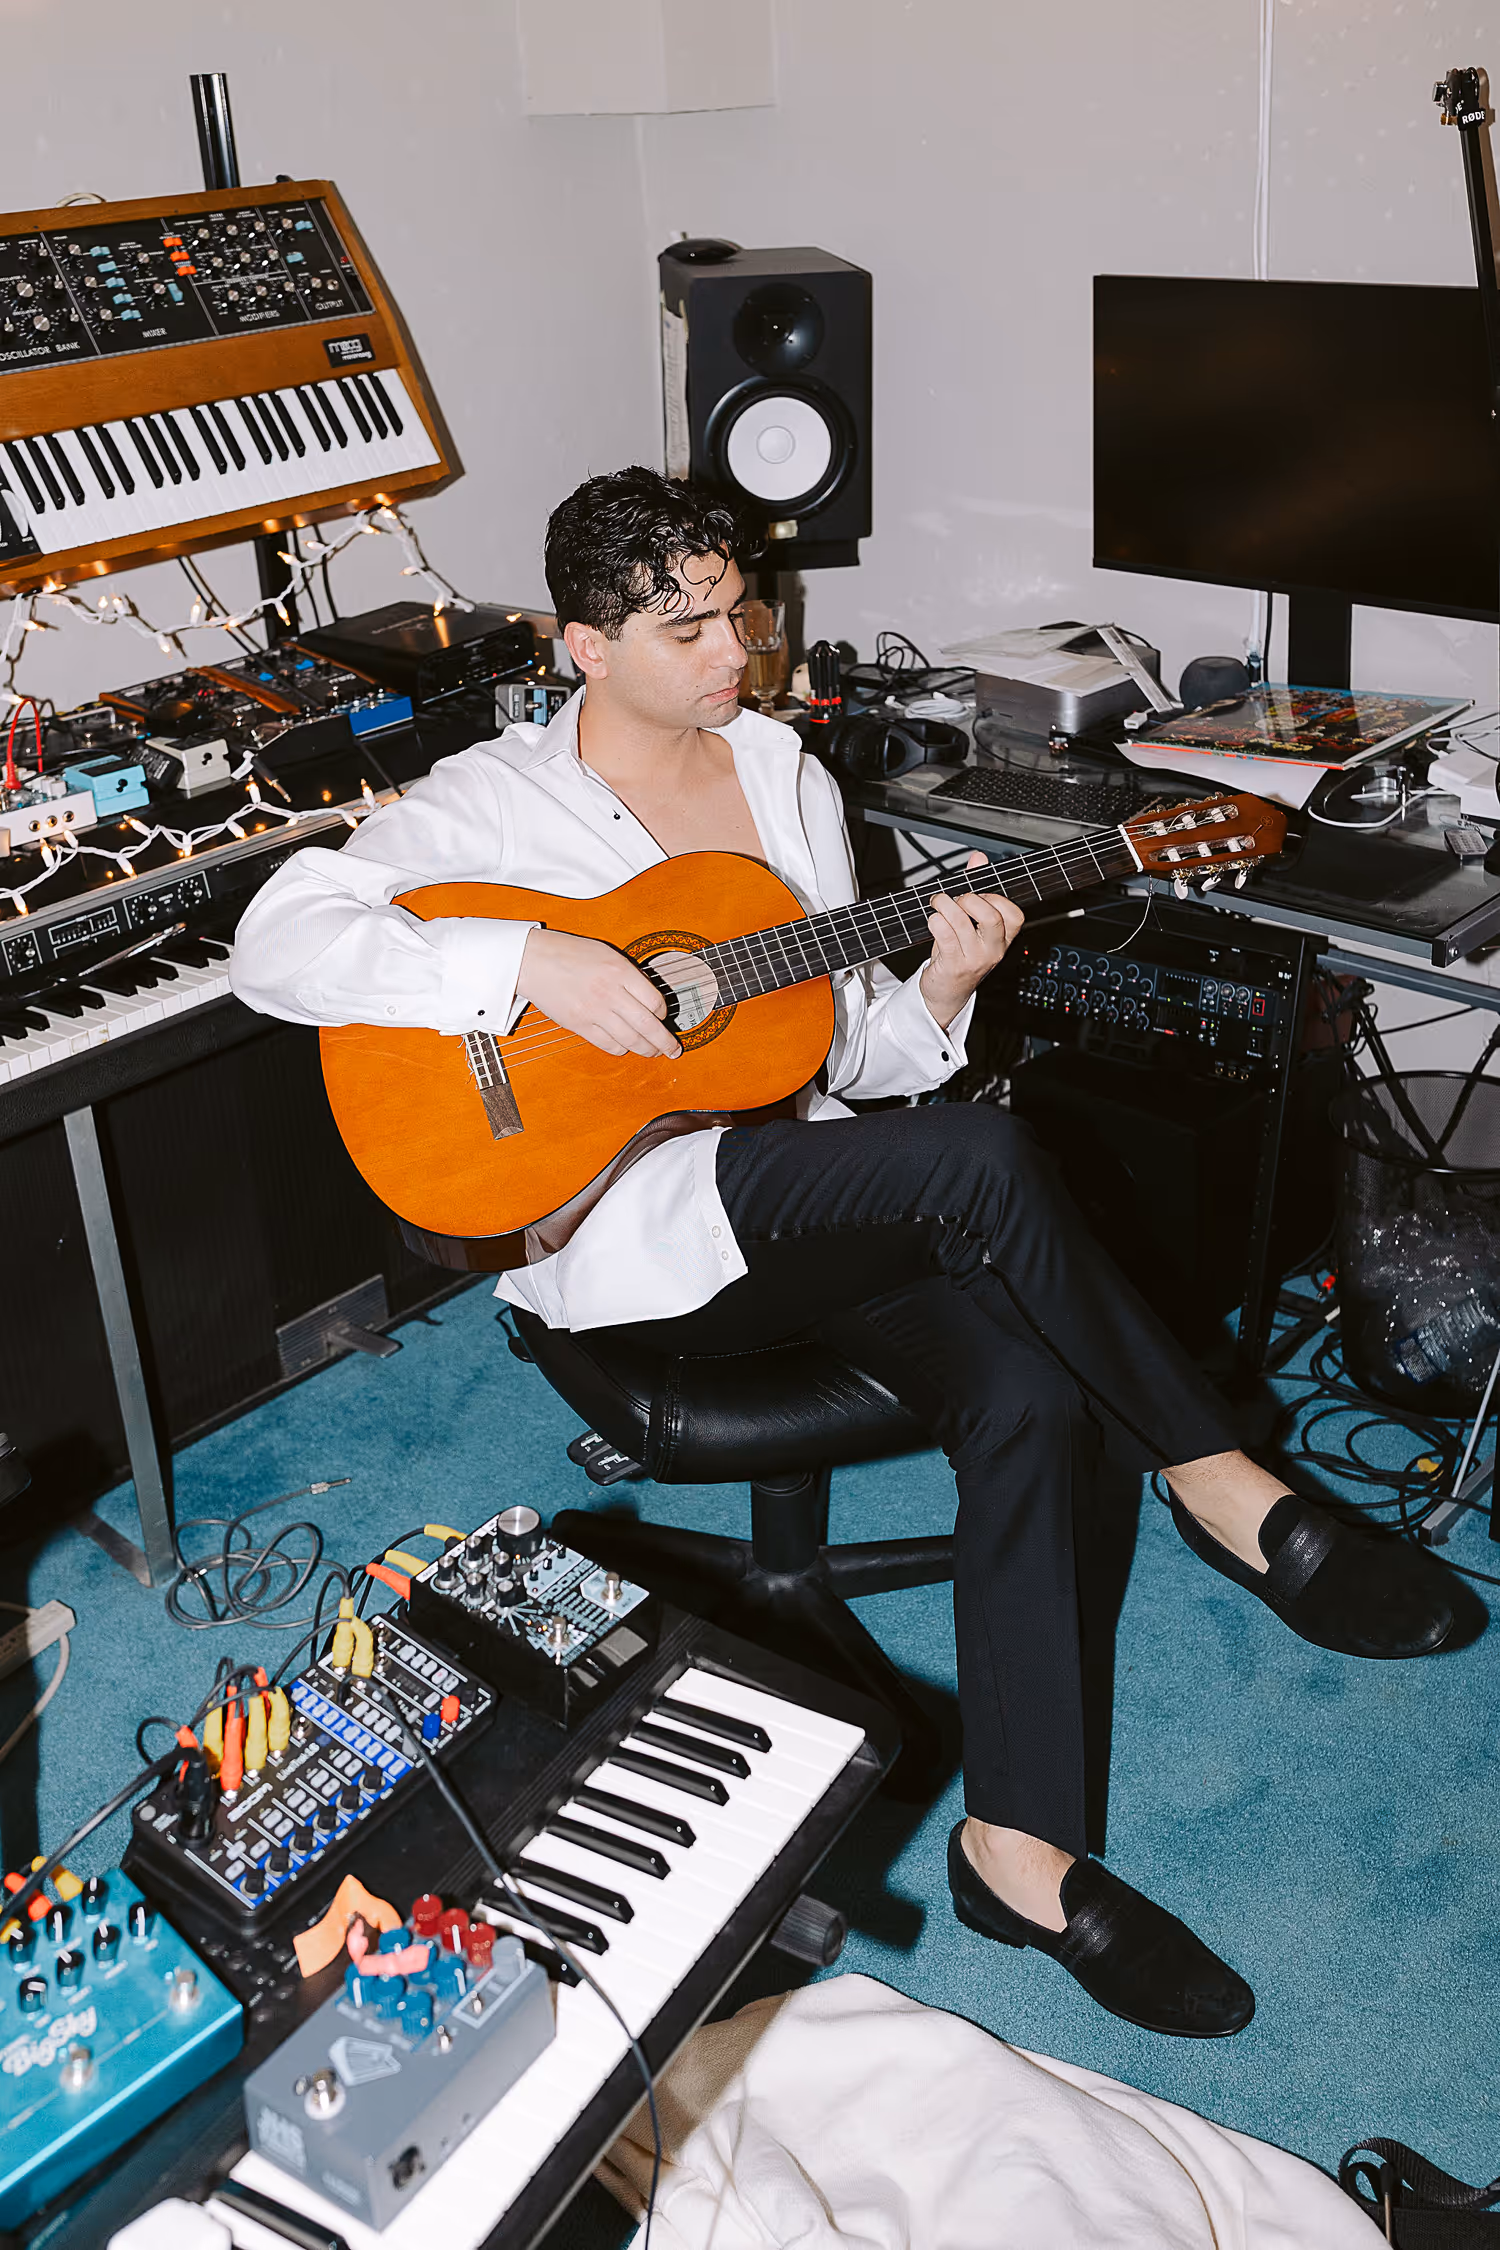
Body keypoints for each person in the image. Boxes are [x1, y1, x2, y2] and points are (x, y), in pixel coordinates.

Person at [232, 466, 1480, 2039]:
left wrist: (946, 986)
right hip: (629, 1226)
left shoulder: (785, 777)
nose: (732, 649)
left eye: (738, 607)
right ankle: (1221, 1482)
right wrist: (526, 955)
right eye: (684, 625)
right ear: (580, 646)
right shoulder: (490, 802)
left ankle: (1014, 1855)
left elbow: (848, 1055)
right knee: (984, 1160)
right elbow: (275, 946)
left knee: (1025, 1383)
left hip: (820, 1187)